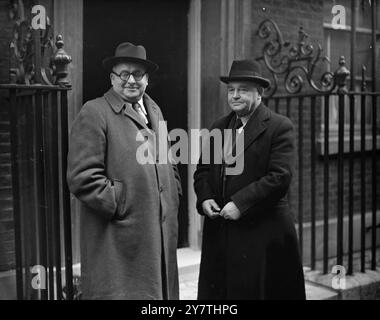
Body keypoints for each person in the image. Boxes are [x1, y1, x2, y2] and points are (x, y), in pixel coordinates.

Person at [67, 42, 182, 300]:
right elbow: (82, 177)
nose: (131, 80)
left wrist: (172, 193)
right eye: (124, 74)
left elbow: (169, 159)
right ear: (112, 78)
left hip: (157, 230)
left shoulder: (154, 109)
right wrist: (121, 203)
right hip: (120, 236)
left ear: (147, 79)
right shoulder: (95, 112)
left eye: (138, 74)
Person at [194, 60, 306, 300]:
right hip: (221, 234)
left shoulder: (279, 126)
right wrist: (205, 199)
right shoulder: (219, 127)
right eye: (231, 90)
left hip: (263, 233)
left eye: (243, 89)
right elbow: (202, 171)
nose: (235, 95)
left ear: (260, 93)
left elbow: (279, 177)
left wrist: (240, 204)